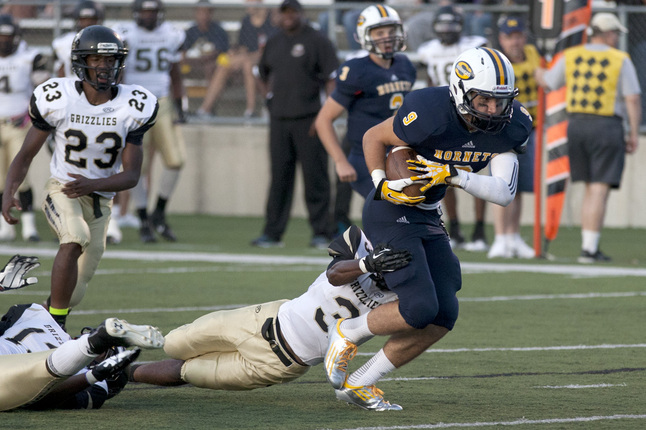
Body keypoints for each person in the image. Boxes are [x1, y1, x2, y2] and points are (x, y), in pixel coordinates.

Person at [324, 47, 532, 408]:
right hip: (392, 207)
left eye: (500, 102)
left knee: (444, 314)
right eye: (483, 100)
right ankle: (348, 333)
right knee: (419, 308)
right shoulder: (429, 112)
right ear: (460, 91)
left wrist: (454, 175)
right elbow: (374, 137)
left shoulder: (512, 127)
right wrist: (379, 183)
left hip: (428, 213)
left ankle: (361, 382)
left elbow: (504, 194)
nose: (493, 110)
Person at [129, 225, 411, 410]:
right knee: (174, 344)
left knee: (188, 372)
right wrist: (366, 264)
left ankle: (121, 373)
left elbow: (416, 317)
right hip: (262, 319)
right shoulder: (358, 244)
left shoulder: (404, 300)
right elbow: (334, 274)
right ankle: (111, 348)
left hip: (278, 364)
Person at [2, 25, 158, 330]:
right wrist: (9, 191)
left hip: (100, 197)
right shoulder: (58, 98)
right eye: (97, 59)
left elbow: (132, 176)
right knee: (75, 238)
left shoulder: (134, 105)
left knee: (75, 291)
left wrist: (93, 185)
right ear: (80, 61)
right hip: (63, 189)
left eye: (110, 61)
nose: (104, 67)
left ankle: (30, 325)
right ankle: (57, 329)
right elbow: (25, 154)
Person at [536, 13, 641, 263]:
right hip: (606, 125)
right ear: (607, 33)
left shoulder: (571, 56)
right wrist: (634, 132)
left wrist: (538, 70)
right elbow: (633, 97)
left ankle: (588, 246)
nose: (616, 38)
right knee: (599, 188)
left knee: (589, 188)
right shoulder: (619, 59)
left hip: (577, 126)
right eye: (615, 33)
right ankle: (589, 248)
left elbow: (549, 82)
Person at [0, 255, 165, 412]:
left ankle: (92, 345)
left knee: (37, 379)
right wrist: (91, 377)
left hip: (14, 375)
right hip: (13, 377)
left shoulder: (37, 314)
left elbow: (45, 399)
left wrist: (92, 376)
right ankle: (92, 345)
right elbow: (41, 400)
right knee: (35, 381)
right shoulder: (83, 377)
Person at [314, 4, 416, 231]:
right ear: (364, 36)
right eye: (379, 33)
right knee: (393, 212)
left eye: (391, 31)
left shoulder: (405, 65)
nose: (387, 37)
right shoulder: (357, 71)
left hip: (399, 153)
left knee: (415, 212)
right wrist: (341, 161)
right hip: (366, 156)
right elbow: (323, 120)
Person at [251, 0, 340, 249]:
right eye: (284, 12)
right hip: (279, 120)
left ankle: (322, 232)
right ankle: (272, 233)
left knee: (316, 178)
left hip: (310, 120)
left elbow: (332, 80)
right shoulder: (274, 41)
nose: (288, 16)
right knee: (279, 178)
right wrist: (268, 97)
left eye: (292, 12)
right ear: (279, 16)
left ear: (301, 13)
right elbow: (260, 73)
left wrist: (326, 116)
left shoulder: (318, 40)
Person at [50, 0, 126, 246]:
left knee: (110, 164)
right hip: (72, 113)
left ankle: (110, 221)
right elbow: (60, 75)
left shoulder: (112, 39)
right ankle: (68, 223)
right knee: (69, 170)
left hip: (105, 108)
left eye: (91, 18)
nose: (88, 23)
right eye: (83, 19)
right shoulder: (62, 44)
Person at [416, 4, 489, 251]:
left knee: (477, 171)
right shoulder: (429, 50)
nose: (447, 30)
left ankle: (479, 229)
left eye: (451, 24)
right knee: (444, 174)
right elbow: (430, 82)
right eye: (442, 25)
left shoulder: (474, 44)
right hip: (446, 116)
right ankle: (454, 227)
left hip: (473, 115)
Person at [114, 0, 187, 243]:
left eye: (152, 11)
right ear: (136, 13)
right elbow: (119, 72)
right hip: (135, 103)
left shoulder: (171, 34)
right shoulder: (127, 34)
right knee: (136, 167)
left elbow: (175, 72)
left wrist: (180, 105)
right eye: (145, 11)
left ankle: (159, 213)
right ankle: (144, 219)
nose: (149, 16)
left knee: (176, 160)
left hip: (163, 102)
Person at [487, 15, 537, 259]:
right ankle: (500, 237)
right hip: (503, 128)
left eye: (518, 36)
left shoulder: (532, 54)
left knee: (520, 186)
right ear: (501, 39)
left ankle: (514, 236)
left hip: (529, 128)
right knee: (501, 183)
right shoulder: (498, 63)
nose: (514, 42)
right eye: (509, 37)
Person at [0, 14, 49, 243]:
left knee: (22, 177)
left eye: (7, 36)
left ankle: (29, 225)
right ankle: (5, 225)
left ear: (17, 37)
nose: (3, 40)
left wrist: (32, 115)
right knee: (0, 180)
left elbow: (43, 91)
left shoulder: (30, 57)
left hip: (19, 124)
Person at [182, 0, 232, 119]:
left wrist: (202, 58)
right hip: (192, 65)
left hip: (210, 66)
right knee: (176, 67)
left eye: (206, 12)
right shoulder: (191, 31)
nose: (203, 15)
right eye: (200, 12)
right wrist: (194, 60)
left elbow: (218, 52)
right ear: (196, 13)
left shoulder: (218, 30)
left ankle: (208, 109)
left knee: (211, 67)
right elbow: (183, 52)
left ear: (211, 13)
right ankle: (181, 108)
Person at [235, 0, 278, 118]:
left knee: (248, 64)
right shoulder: (246, 21)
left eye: (249, 0)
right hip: (248, 58)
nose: (246, 3)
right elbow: (243, 47)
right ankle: (205, 109)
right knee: (224, 64)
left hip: (269, 60)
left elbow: (271, 49)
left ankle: (251, 109)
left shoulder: (272, 18)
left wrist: (247, 57)